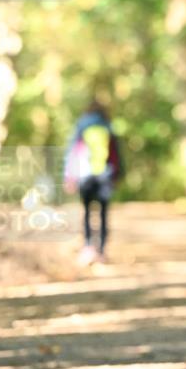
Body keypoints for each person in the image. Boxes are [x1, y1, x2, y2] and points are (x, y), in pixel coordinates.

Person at [64, 101, 123, 265]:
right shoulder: (108, 126)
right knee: (103, 214)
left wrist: (69, 177)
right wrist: (118, 175)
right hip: (105, 175)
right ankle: (102, 251)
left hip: (85, 176)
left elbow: (72, 153)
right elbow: (116, 155)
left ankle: (88, 248)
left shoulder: (81, 126)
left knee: (87, 213)